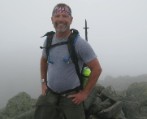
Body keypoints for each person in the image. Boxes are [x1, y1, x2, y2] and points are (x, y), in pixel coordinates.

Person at [40, 3, 102, 119]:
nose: (61, 19)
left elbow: (97, 69)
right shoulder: (48, 40)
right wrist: (43, 82)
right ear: (52, 19)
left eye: (65, 16)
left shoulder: (79, 43)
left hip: (72, 96)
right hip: (51, 92)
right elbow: (43, 60)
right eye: (57, 16)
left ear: (71, 19)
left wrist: (84, 94)